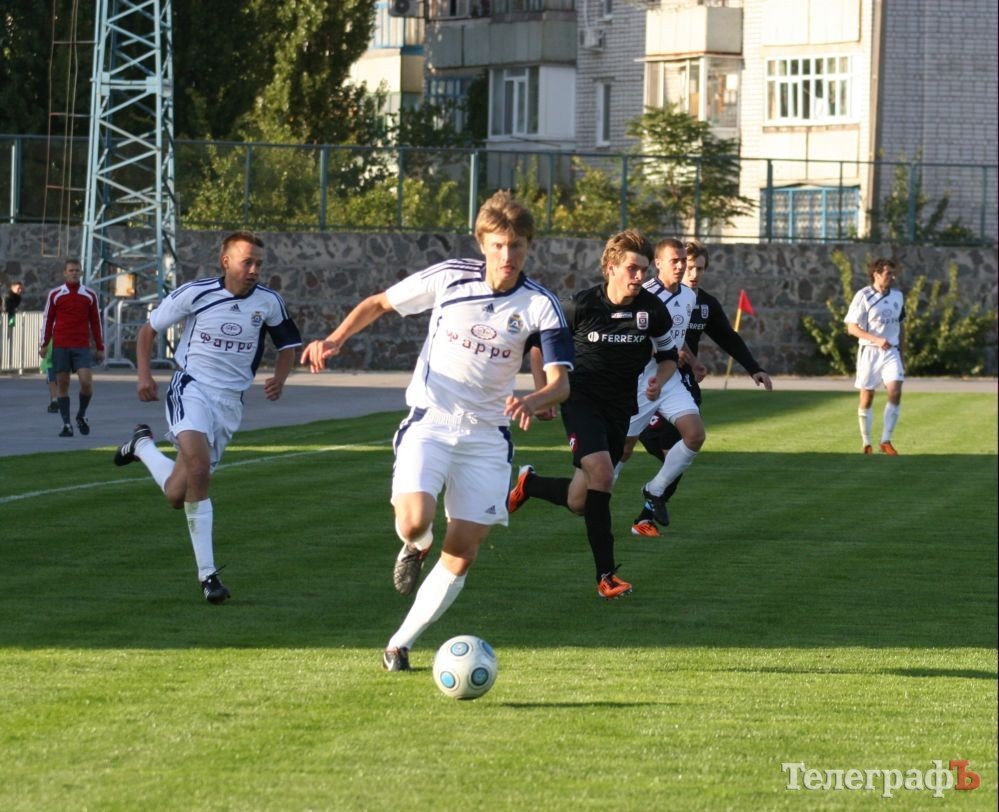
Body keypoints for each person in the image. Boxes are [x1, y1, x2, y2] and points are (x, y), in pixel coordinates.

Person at [300, 190, 573, 672]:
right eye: (498, 245)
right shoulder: (449, 277)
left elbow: (560, 383)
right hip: (431, 420)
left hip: (488, 437)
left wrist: (534, 399)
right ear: (482, 243)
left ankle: (399, 643)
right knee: (413, 522)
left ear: (528, 247)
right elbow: (381, 303)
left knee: (463, 550)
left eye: (517, 247)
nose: (507, 256)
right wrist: (335, 338)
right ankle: (416, 545)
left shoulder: (540, 305)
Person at [112, 231, 302, 603]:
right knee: (199, 469)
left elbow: (288, 346)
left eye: (259, 264)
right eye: (247, 261)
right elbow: (149, 330)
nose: (254, 270)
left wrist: (279, 378)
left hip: (229, 403)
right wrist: (144, 375)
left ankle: (142, 446)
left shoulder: (268, 302)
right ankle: (208, 576)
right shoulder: (195, 292)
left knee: (176, 494)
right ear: (226, 261)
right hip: (191, 386)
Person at [506, 229, 677, 599]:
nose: (640, 277)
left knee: (580, 501)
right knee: (602, 474)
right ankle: (606, 576)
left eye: (644, 270)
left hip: (621, 409)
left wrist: (659, 381)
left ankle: (530, 484)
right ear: (611, 267)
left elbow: (668, 357)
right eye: (632, 268)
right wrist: (545, 393)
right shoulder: (580, 305)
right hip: (580, 401)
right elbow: (537, 346)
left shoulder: (652, 310)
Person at [627, 239, 773, 536]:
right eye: (686, 265)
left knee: (686, 446)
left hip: (679, 383)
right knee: (642, 454)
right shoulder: (647, 297)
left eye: (699, 268)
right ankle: (588, 498)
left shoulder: (700, 302)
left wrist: (753, 367)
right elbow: (653, 337)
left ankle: (646, 514)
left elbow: (726, 336)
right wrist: (679, 356)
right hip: (644, 382)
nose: (691, 273)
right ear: (667, 263)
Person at [609, 238, 706, 537]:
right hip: (642, 380)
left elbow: (677, 338)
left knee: (695, 434)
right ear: (659, 264)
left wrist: (691, 359)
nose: (680, 267)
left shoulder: (689, 297)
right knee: (624, 448)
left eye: (682, 262)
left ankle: (655, 489)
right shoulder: (644, 297)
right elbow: (631, 339)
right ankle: (598, 493)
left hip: (670, 378)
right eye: (673, 261)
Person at [844, 257, 905, 455]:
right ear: (876, 275)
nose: (892, 277)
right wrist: (876, 339)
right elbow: (852, 328)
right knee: (867, 398)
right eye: (888, 273)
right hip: (869, 351)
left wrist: (899, 349)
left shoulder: (897, 296)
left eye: (893, 274)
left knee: (895, 390)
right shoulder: (863, 296)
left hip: (891, 351)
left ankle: (886, 440)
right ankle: (866, 442)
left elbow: (899, 324)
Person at [38, 260, 104, 437]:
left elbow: (96, 321)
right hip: (61, 345)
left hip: (81, 345)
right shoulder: (55, 294)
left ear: (81, 273)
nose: (74, 273)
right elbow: (48, 319)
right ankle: (66, 424)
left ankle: (81, 414)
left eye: (77, 270)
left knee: (86, 382)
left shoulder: (89, 295)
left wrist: (100, 346)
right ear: (65, 273)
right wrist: (44, 343)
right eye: (71, 270)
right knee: (63, 383)